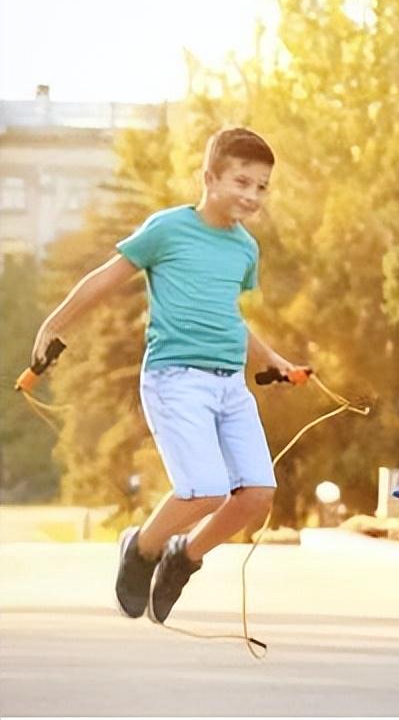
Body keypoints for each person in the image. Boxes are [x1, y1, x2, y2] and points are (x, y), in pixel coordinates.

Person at [29, 128, 306, 626]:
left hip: (230, 387)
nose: (252, 194)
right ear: (209, 177)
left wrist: (273, 360)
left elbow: (226, 317)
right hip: (176, 378)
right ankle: (142, 548)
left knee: (257, 496)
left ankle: (184, 557)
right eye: (242, 181)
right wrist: (55, 323)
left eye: (263, 186)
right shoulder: (168, 229)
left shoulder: (245, 249)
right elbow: (105, 278)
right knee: (206, 490)